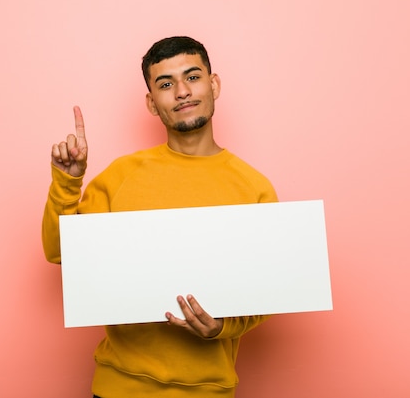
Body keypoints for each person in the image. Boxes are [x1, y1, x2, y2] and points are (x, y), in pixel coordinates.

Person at [42, 36, 278, 398]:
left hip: (209, 390)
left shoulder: (255, 188)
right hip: (119, 387)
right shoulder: (120, 176)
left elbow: (269, 292)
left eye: (193, 77)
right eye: (166, 84)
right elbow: (61, 253)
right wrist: (68, 181)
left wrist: (224, 327)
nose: (182, 91)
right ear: (152, 103)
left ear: (213, 85)